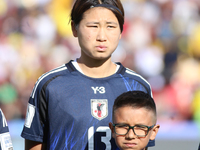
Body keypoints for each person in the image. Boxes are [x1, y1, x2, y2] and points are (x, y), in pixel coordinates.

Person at [21, 0, 155, 149]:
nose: (102, 36)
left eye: (110, 26)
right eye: (93, 26)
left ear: (121, 31)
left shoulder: (139, 86)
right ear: (74, 28)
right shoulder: (50, 85)